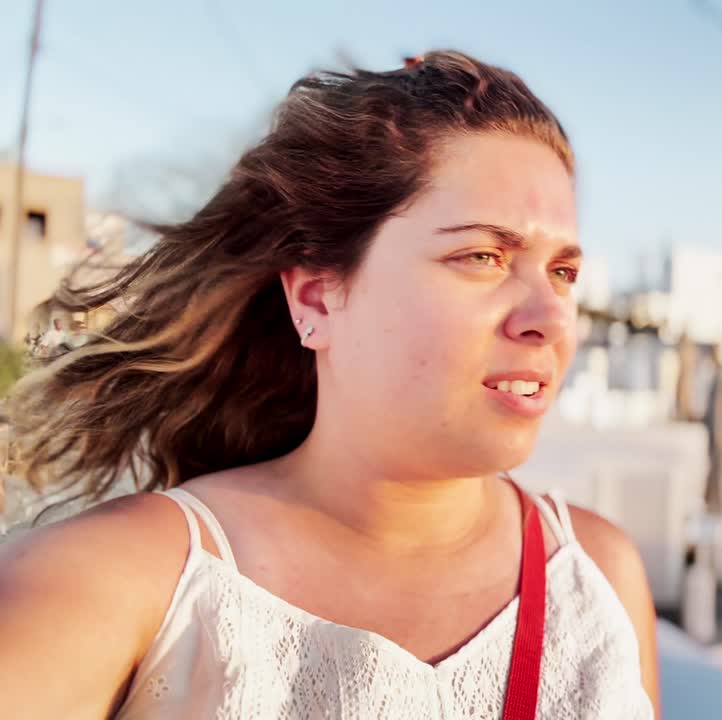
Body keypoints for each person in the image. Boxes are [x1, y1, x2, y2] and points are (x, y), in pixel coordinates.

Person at [0, 50, 659, 719]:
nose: (549, 318)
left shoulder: (598, 578)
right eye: (482, 257)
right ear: (316, 300)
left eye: (564, 272)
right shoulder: (121, 581)